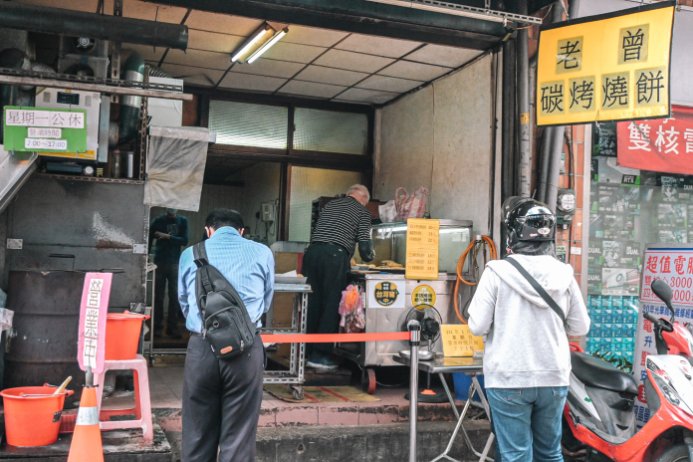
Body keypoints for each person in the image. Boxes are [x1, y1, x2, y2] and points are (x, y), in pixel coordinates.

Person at [467, 197, 590, 462]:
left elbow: (477, 326)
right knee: (550, 453)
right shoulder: (564, 274)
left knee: (516, 455)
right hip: (553, 376)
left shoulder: (496, 272)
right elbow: (581, 326)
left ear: (513, 233)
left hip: (509, 377)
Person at [178, 209, 274, 461]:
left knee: (197, 432)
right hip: (246, 347)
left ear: (209, 230)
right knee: (239, 436)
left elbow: (185, 303)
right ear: (242, 231)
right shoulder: (263, 252)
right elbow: (265, 302)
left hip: (201, 348)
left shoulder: (190, 254)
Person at [303, 184, 375, 370]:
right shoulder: (362, 212)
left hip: (312, 254)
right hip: (334, 256)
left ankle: (305, 353)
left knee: (312, 302)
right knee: (331, 304)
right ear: (363, 199)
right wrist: (371, 257)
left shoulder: (331, 206)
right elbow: (365, 248)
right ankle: (321, 355)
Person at [149, 208, 188, 337]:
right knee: (158, 296)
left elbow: (185, 240)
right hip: (159, 261)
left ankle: (173, 327)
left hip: (175, 262)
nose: (172, 209)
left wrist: (168, 236)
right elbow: (148, 238)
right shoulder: (158, 221)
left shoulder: (182, 221)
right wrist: (147, 256)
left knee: (175, 295)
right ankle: (157, 327)